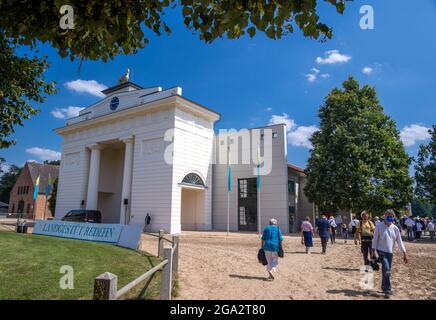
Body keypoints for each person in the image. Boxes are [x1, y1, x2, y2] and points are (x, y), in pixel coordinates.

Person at [372, 209, 408, 297]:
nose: (389, 217)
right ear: (384, 216)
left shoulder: (395, 228)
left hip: (390, 252)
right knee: (387, 269)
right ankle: (387, 289)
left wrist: (404, 253)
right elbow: (375, 238)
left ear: (393, 217)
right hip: (381, 251)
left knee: (386, 271)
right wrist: (373, 250)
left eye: (391, 216)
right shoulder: (378, 225)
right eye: (387, 215)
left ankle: (384, 287)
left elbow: (399, 241)